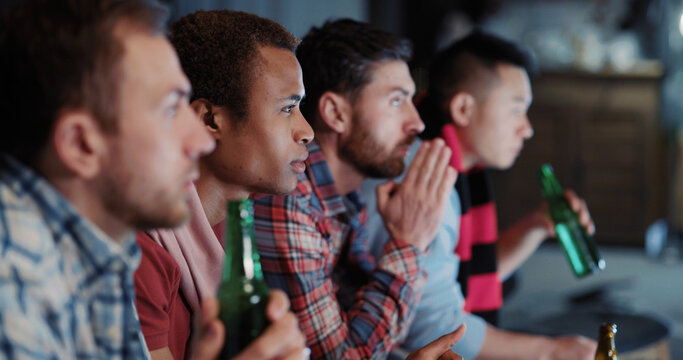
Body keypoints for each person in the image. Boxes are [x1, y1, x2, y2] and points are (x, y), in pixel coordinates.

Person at [0, 0, 225, 358]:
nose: (203, 141)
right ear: (80, 145)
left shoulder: (104, 248)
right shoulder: (15, 284)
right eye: (170, 108)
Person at [363, 30, 598, 359]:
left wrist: (535, 226)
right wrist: (552, 351)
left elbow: (461, 280)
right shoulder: (425, 179)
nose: (527, 128)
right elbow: (436, 327)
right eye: (516, 109)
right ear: (463, 108)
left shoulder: (451, 164)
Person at [253, 18, 459, 359]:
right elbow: (341, 356)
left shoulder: (341, 197)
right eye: (396, 101)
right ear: (335, 112)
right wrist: (409, 243)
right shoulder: (290, 200)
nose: (417, 122)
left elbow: (361, 322)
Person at [133, 10, 311, 360]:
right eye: (287, 108)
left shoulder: (239, 225)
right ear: (209, 120)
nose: (307, 131)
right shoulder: (143, 253)